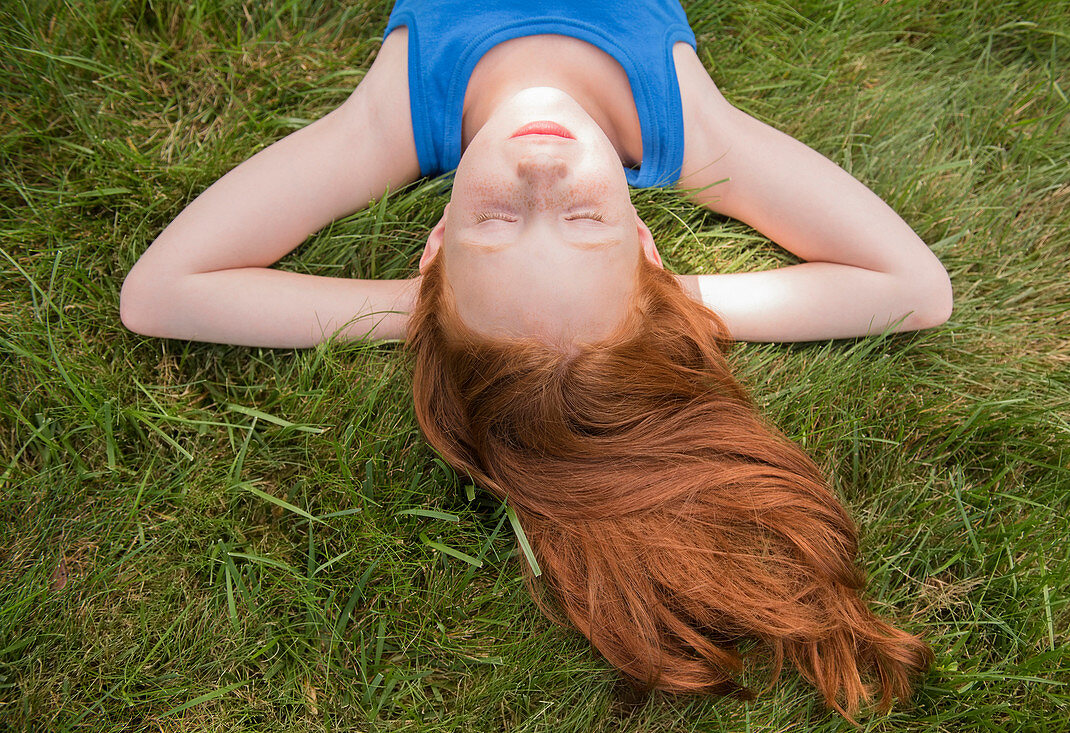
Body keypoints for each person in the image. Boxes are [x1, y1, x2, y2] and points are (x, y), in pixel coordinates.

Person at [120, 0, 950, 720]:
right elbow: (914, 287)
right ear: (644, 245)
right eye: (586, 220)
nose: (541, 170)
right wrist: (642, 308)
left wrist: (448, 313)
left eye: (495, 222)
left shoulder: (393, 121)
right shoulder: (687, 128)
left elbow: (158, 291)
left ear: (434, 244)